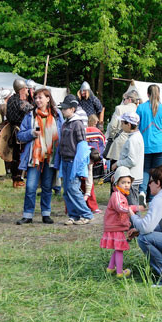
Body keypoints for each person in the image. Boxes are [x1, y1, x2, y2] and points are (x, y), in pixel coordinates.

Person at [15, 88, 63, 225]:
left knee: (47, 187)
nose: (37, 100)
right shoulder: (30, 115)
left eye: (40, 97)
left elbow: (62, 132)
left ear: (48, 99)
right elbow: (20, 136)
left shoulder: (57, 115)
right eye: (36, 98)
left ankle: (46, 214)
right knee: (30, 186)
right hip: (34, 157)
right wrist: (31, 133)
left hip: (50, 156)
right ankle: (28, 215)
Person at [59, 94, 94, 225]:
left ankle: (87, 214)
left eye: (65, 108)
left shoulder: (77, 124)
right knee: (67, 190)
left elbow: (82, 145)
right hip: (65, 161)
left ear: (72, 109)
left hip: (74, 162)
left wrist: (79, 165)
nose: (63, 110)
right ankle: (73, 215)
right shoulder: (65, 123)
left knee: (73, 189)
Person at [102, 167, 142, 278]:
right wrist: (131, 209)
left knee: (117, 248)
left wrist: (136, 207)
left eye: (128, 182)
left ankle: (110, 268)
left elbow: (126, 206)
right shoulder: (116, 196)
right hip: (115, 227)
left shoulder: (120, 195)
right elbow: (121, 208)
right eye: (123, 182)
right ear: (116, 183)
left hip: (115, 226)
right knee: (120, 249)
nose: (126, 185)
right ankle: (120, 272)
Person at [136, 84, 162, 205]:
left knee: (145, 170)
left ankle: (142, 192)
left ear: (147, 94)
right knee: (156, 171)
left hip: (145, 144)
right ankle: (154, 197)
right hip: (160, 144)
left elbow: (137, 125)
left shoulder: (141, 108)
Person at [5, 79, 34, 187]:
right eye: (26, 88)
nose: (27, 90)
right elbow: (33, 110)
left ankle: (16, 179)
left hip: (13, 130)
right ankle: (18, 179)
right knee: (20, 155)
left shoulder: (11, 99)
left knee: (15, 155)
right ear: (21, 90)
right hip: (20, 131)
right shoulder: (21, 102)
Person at [116, 112, 145, 206]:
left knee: (132, 206)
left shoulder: (133, 139)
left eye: (122, 123)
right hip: (131, 177)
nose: (121, 125)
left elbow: (132, 161)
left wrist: (117, 164)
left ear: (128, 124)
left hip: (131, 177)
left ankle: (136, 221)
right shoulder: (136, 136)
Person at [105, 90, 139, 168]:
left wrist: (113, 136)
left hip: (119, 142)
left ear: (129, 99)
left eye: (124, 99)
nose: (123, 101)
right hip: (134, 142)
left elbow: (113, 126)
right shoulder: (139, 110)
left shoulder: (119, 108)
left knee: (115, 170)